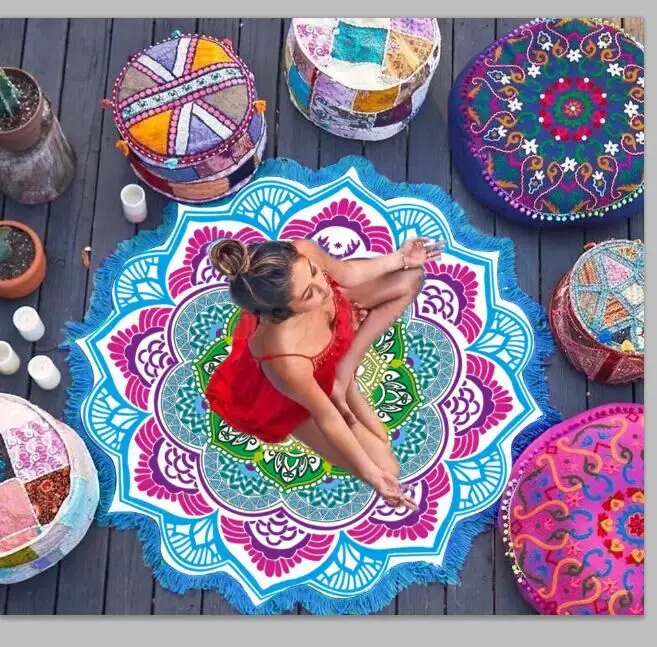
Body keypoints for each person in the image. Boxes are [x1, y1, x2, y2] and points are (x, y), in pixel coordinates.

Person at [205, 235, 443, 510]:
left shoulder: (301, 252)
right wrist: (373, 476)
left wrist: (401, 258)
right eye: (309, 294)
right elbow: (328, 418)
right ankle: (341, 386)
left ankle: (344, 372)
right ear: (281, 313)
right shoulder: (283, 359)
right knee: (387, 467)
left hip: (332, 340)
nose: (324, 287)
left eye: (314, 271)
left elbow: (348, 273)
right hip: (291, 398)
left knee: (410, 276)